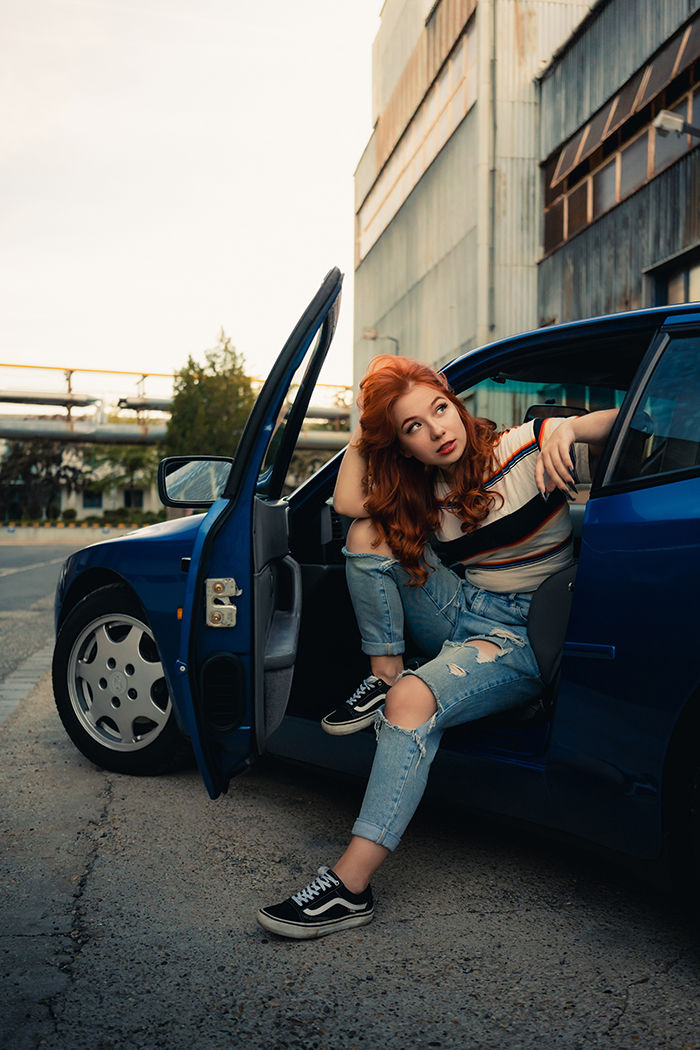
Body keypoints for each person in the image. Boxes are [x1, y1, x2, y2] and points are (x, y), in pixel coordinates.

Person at [257, 355, 618, 940]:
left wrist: (573, 426)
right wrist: (370, 429)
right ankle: (384, 671)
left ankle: (349, 887)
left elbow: (633, 419)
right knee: (366, 533)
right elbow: (348, 503)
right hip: (463, 610)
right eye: (413, 428)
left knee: (409, 704)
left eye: (439, 409)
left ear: (456, 403)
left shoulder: (524, 448)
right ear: (402, 446)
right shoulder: (424, 489)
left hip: (522, 637)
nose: (437, 431)